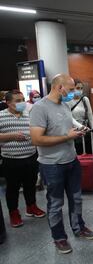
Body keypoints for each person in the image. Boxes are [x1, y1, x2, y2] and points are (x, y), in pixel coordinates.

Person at [30, 74, 93, 255]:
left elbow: (69, 124)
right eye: (71, 89)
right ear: (60, 88)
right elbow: (37, 139)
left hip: (71, 160)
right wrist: (68, 137)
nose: (74, 93)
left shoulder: (65, 105)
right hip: (52, 165)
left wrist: (79, 129)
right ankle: (59, 237)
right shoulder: (39, 108)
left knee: (76, 198)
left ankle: (79, 227)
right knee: (56, 203)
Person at [0, 90, 45, 228]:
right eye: (18, 101)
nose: (22, 103)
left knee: (30, 185)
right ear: (8, 103)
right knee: (12, 188)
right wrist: (11, 136)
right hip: (11, 159)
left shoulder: (29, 115)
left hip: (31, 157)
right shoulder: (1, 116)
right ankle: (14, 213)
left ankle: (31, 206)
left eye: (23, 100)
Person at [67, 79, 93, 154]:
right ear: (72, 88)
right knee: (79, 154)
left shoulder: (85, 99)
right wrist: (78, 127)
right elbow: (68, 117)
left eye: (81, 88)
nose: (80, 90)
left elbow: (90, 115)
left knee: (89, 154)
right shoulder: (68, 101)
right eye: (77, 88)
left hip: (86, 131)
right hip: (75, 132)